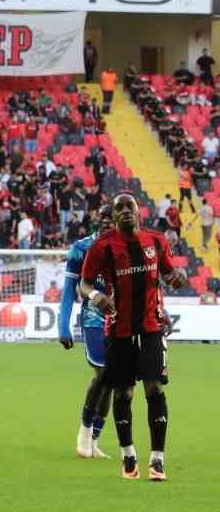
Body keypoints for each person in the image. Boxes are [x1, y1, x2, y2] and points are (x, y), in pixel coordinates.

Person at [81, 192, 189, 480]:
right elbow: (85, 283)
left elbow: (169, 274)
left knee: (154, 389)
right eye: (120, 208)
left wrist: (178, 276)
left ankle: (157, 460)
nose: (126, 211)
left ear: (139, 211)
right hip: (119, 331)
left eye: (130, 206)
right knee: (124, 392)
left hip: (152, 328)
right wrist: (95, 296)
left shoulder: (156, 241)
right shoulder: (103, 247)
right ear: (114, 215)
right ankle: (128, 455)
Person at [60, 205, 115, 460]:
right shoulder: (81, 248)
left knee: (113, 382)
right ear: (96, 220)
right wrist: (64, 326)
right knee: (103, 374)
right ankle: (84, 430)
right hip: (93, 318)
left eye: (111, 219)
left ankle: (93, 441)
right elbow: (70, 289)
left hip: (119, 321)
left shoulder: (127, 247)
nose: (107, 222)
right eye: (103, 217)